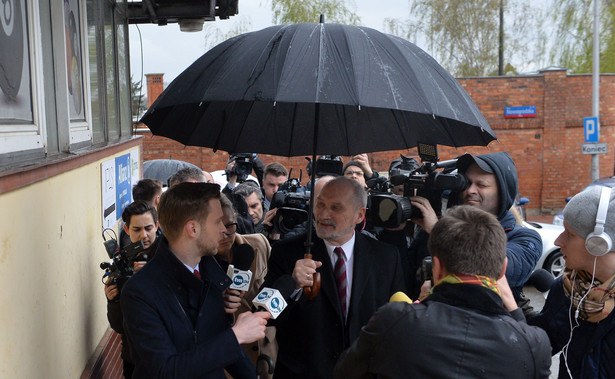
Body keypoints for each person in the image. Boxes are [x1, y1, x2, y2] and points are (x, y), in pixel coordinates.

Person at [334, 205, 552, 378]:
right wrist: (515, 314)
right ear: (502, 269)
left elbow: (344, 372)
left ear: (435, 268)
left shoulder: (392, 320)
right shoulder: (535, 344)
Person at [121, 182, 270, 378]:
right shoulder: (140, 291)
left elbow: (222, 342)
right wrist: (236, 336)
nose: (224, 230)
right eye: (217, 222)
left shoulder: (213, 273)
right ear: (193, 228)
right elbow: (165, 371)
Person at [263, 176, 405, 378]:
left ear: (359, 215)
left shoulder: (386, 258)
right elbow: (264, 313)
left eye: (336, 208)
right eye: (320, 204)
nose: (323, 214)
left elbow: (396, 323)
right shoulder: (287, 252)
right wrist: (291, 285)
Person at [406, 152, 542, 305]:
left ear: (503, 192)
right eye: (467, 183)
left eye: (481, 185)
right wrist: (396, 231)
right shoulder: (436, 228)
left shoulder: (525, 239)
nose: (470, 190)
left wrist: (438, 230)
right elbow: (403, 274)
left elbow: (489, 269)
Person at [529, 185, 615, 378]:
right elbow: (539, 346)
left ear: (598, 244)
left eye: (569, 234)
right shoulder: (567, 288)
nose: (558, 241)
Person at [217, 195, 277, 378]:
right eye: (219, 227)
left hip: (267, 356)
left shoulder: (259, 242)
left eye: (230, 225)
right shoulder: (200, 265)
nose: (226, 233)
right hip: (230, 363)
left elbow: (274, 288)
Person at [104, 200, 161, 378]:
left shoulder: (171, 256)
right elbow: (118, 325)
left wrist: (152, 277)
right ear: (127, 230)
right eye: (137, 229)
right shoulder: (122, 262)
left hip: (166, 356)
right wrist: (113, 300)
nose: (144, 235)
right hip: (133, 359)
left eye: (148, 228)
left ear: (157, 226)